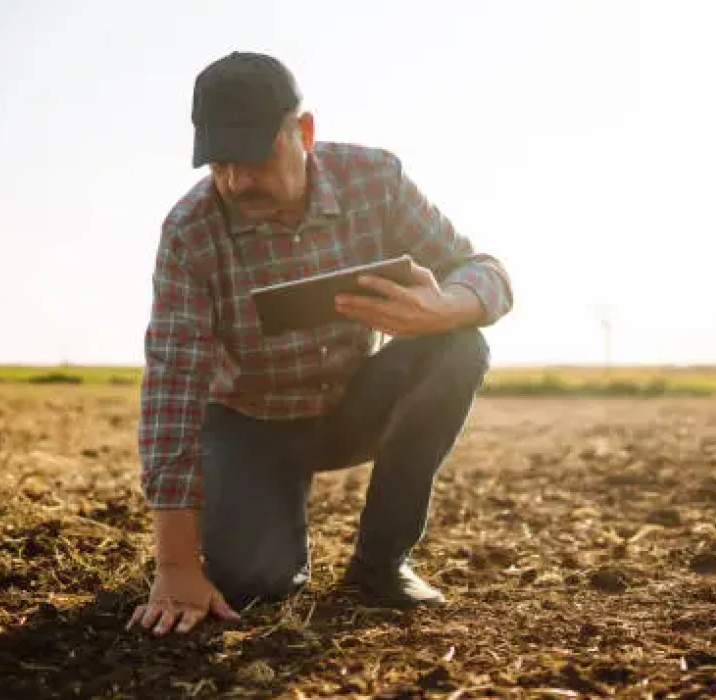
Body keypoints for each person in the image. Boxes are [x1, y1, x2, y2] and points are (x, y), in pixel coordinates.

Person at [127, 51, 514, 637]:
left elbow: (483, 269)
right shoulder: (190, 232)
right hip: (247, 424)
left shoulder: (375, 181)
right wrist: (177, 565)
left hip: (351, 406)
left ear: (303, 132)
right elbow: (172, 384)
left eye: (254, 158)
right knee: (253, 585)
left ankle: (380, 563)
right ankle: (268, 527)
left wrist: (444, 307)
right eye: (220, 164)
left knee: (460, 347)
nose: (236, 181)